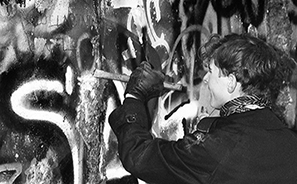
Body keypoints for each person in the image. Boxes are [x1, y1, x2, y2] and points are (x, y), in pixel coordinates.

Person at [108, 33, 297, 184]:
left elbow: (139, 157)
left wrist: (134, 96)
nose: (205, 79)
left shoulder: (219, 147)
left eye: (212, 72)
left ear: (231, 83)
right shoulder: (289, 141)